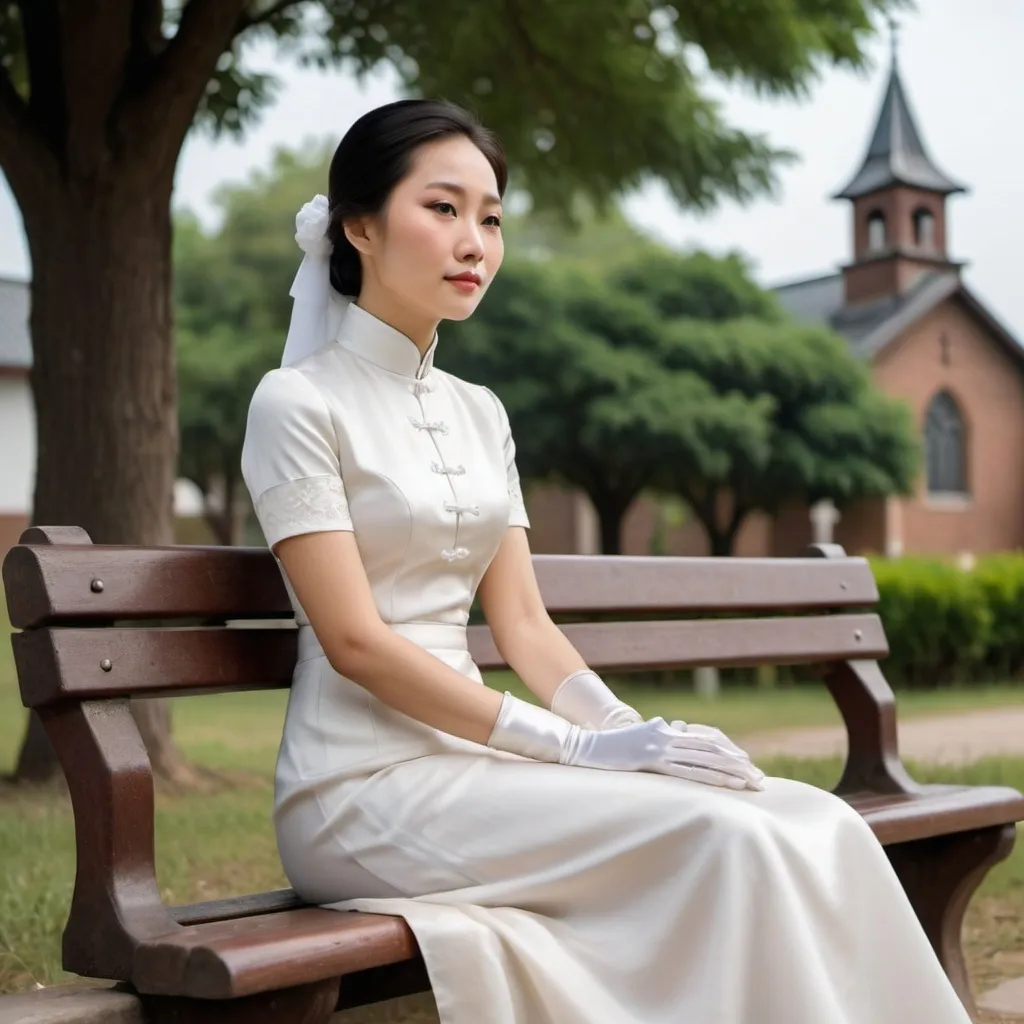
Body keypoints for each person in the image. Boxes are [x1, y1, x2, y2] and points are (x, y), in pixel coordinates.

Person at [240, 98, 971, 1024]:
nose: (476, 241)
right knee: (722, 840)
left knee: (813, 819)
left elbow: (524, 625)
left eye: (492, 217)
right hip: (358, 793)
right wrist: (576, 748)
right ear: (359, 226)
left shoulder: (481, 412)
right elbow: (352, 641)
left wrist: (637, 736)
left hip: (479, 771)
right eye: (444, 208)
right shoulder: (296, 403)